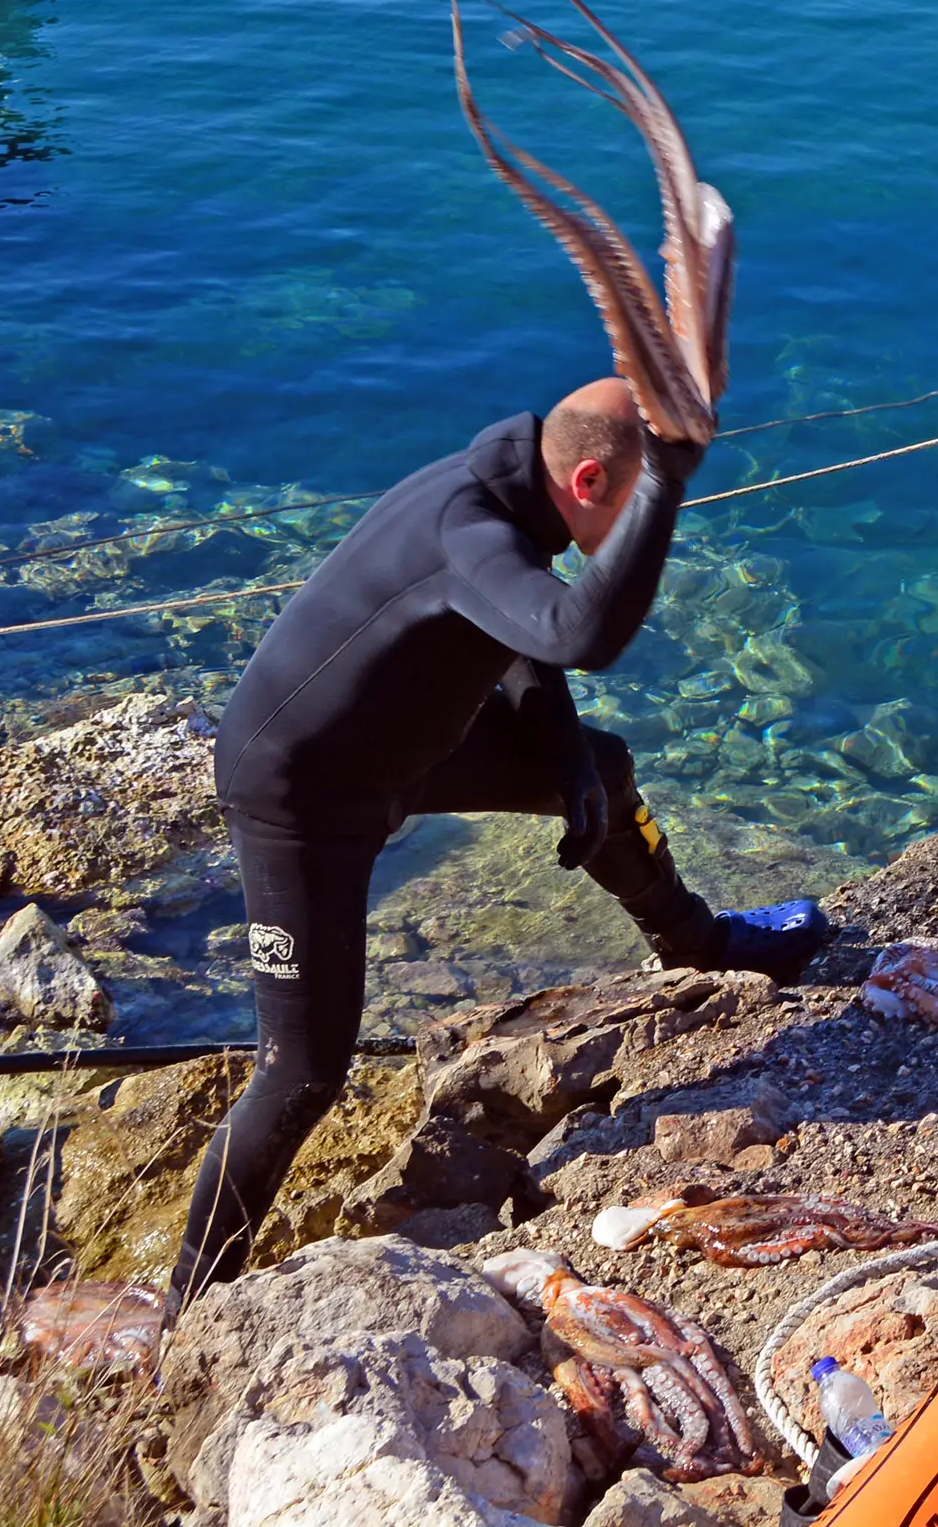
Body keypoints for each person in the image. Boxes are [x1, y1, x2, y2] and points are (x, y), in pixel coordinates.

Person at [172, 375, 829, 1293]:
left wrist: (560, 756)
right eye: (643, 510)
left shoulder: (516, 495)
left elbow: (518, 629)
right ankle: (189, 1304)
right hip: (298, 798)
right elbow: (576, 631)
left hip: (402, 754)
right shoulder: (468, 526)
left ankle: (700, 943)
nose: (652, 541)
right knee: (301, 1074)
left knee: (598, 769)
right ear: (593, 481)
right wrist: (668, 482)